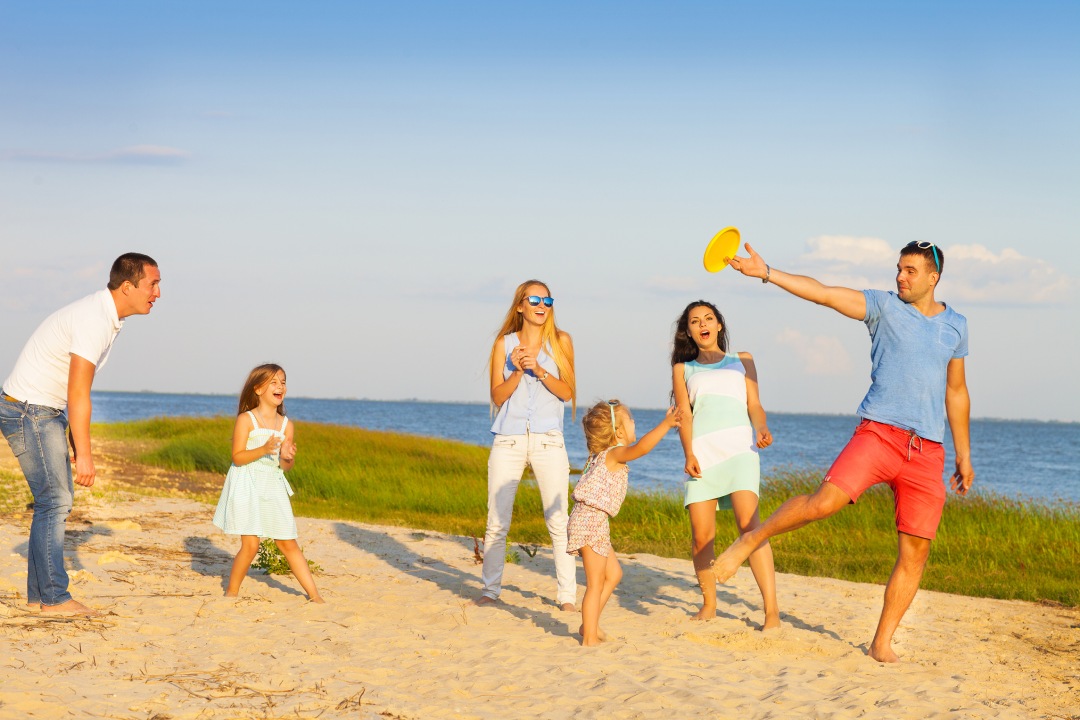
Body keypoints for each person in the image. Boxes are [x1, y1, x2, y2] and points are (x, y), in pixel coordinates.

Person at [712, 240, 974, 662]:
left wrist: (963, 453)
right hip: (879, 434)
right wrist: (767, 273)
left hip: (928, 451)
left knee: (916, 552)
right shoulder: (883, 307)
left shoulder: (956, 325)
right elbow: (825, 293)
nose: (900, 277)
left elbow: (957, 391)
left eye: (909, 271)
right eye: (899, 269)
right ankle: (752, 539)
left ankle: (881, 642)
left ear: (933, 277)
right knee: (822, 503)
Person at [0, 253, 161, 616]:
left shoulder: (103, 316)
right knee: (55, 502)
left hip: (39, 409)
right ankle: (55, 599)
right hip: (31, 410)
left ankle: (38, 597)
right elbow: (78, 392)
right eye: (152, 284)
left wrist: (75, 444)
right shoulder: (95, 320)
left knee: (51, 502)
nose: (158, 292)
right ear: (127, 286)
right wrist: (83, 454)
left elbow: (71, 393)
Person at [671, 301, 780, 629]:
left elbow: (755, 404)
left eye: (708, 318)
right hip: (703, 452)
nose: (702, 324)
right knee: (701, 535)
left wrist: (761, 427)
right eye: (694, 321)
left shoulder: (742, 360)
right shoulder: (682, 368)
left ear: (719, 325)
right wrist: (688, 453)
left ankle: (771, 612)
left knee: (751, 527)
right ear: (688, 330)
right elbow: (684, 416)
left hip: (740, 450)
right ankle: (709, 604)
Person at [476, 280, 578, 611]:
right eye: (534, 298)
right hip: (509, 437)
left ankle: (566, 597)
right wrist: (518, 373)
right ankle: (490, 591)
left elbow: (567, 392)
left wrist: (540, 369)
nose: (541, 304)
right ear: (520, 305)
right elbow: (497, 396)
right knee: (497, 521)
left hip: (549, 439)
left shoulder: (561, 342)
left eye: (547, 299)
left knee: (559, 520)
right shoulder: (503, 344)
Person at [570, 399, 681, 645]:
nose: (634, 423)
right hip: (591, 519)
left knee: (614, 574)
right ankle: (589, 637)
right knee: (595, 583)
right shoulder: (615, 453)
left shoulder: (600, 455)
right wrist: (665, 424)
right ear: (618, 431)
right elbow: (641, 448)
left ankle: (589, 624)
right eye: (631, 420)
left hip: (591, 519)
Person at [212, 364, 324, 603]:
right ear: (258, 388)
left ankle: (314, 596)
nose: (280, 386)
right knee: (250, 545)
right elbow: (237, 456)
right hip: (246, 482)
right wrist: (262, 449)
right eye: (273, 382)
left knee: (287, 542)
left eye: (283, 382)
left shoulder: (287, 425)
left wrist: (287, 457)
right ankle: (231, 592)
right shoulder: (247, 419)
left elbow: (284, 467)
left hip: (272, 484)